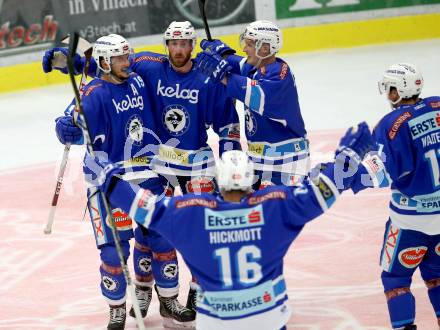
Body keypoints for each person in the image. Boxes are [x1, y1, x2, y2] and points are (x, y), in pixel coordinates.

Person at [83, 121, 372, 330]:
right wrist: (344, 163)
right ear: (250, 179)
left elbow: (143, 207)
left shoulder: (190, 214)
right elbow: (320, 195)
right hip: (269, 315)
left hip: (216, 321)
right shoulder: (275, 206)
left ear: (220, 181)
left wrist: (108, 179)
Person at [44, 21, 241, 318]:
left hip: (196, 165)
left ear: (192, 44)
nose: (178, 50)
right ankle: (145, 289)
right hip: (156, 163)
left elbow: (228, 125)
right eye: (173, 44)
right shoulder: (147, 67)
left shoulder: (207, 77)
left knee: (202, 232)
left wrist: (233, 165)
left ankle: (200, 294)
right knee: (150, 234)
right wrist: (73, 59)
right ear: (166, 44)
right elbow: (105, 66)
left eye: (184, 43)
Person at [56, 34, 195, 330]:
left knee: (162, 237)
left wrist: (80, 61)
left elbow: (164, 67)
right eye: (119, 58)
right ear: (105, 62)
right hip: (109, 180)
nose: (126, 62)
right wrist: (66, 128)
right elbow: (74, 126)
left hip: (146, 172)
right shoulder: (92, 94)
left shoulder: (138, 81)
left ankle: (168, 301)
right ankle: (117, 309)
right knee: (113, 250)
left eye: (126, 56)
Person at [344, 63, 440, 330]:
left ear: (399, 91)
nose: (388, 94)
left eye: (391, 89)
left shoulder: (391, 124)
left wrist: (345, 176)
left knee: (396, 280)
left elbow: (381, 172)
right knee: (437, 276)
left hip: (410, 222)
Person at [196, 20, 309, 189]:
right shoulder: (256, 67)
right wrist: (222, 53)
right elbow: (236, 63)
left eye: (249, 44)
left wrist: (223, 76)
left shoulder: (279, 74)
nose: (244, 48)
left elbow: (256, 95)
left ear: (264, 48)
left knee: (275, 212)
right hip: (258, 161)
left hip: (287, 163)